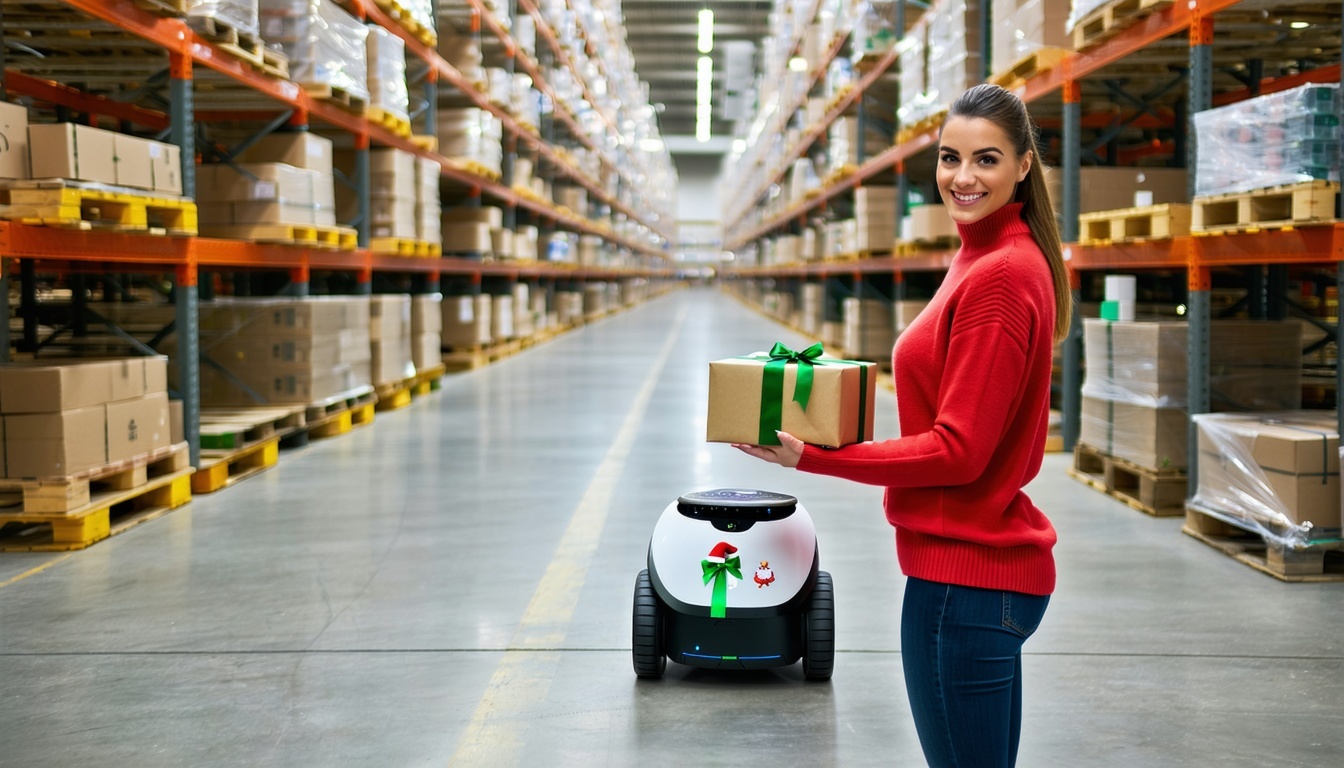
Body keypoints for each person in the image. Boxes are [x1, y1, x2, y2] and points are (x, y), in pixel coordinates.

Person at [734, 83, 1072, 767]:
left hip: (965, 585)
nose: (963, 177)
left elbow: (959, 451)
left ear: (1023, 166)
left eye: (986, 159)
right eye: (950, 158)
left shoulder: (1001, 275)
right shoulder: (985, 254)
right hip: (978, 577)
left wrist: (815, 457)